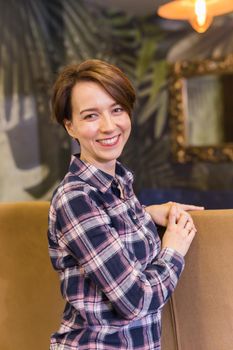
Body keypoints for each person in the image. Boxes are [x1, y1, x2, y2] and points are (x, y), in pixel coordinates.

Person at [47, 59, 204, 350]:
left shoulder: (118, 184)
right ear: (70, 126)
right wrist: (173, 248)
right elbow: (135, 301)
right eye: (91, 115)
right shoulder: (76, 198)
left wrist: (144, 215)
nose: (109, 126)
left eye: (117, 109)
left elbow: (109, 237)